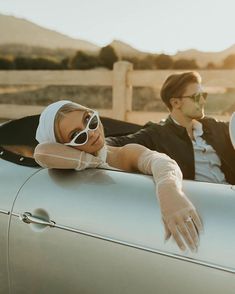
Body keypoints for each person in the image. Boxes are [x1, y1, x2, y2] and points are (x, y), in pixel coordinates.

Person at [34, 100, 203, 252]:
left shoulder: (123, 154)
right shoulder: (69, 162)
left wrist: (169, 190)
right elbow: (42, 153)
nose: (91, 133)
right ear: (63, 146)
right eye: (76, 136)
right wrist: (93, 162)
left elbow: (161, 162)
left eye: (89, 120)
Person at [107, 71, 235, 184]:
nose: (203, 101)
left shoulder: (214, 127)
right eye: (197, 97)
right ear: (175, 103)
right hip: (197, 202)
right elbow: (113, 144)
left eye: (204, 95)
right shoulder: (157, 134)